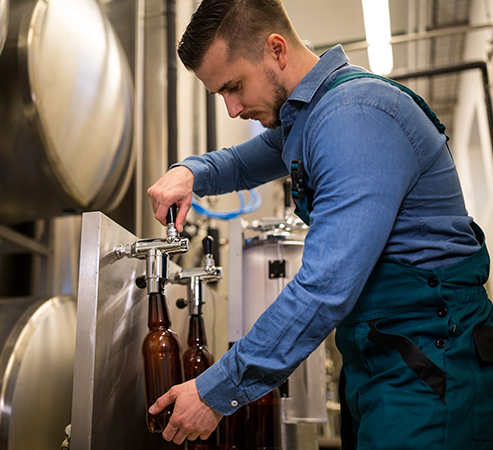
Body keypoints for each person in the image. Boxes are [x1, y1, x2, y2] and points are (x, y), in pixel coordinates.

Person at [147, 0, 493, 448]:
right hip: (382, 357)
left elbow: (324, 287)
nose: (231, 109)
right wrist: (189, 171)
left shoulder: (355, 116)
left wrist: (217, 391)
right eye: (220, 96)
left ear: (276, 49)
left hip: (434, 362)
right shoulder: (308, 118)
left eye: (234, 87)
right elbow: (239, 162)